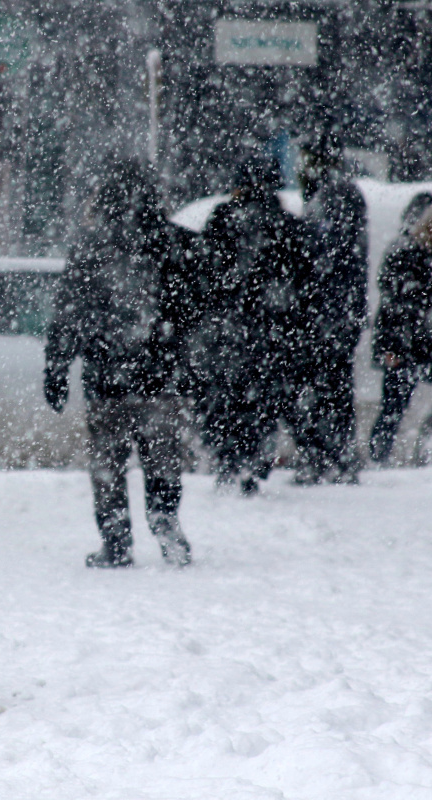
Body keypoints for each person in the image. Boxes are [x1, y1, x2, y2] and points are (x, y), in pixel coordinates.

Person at [44, 160, 192, 569]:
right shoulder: (173, 243)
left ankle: (116, 542)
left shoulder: (90, 247)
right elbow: (194, 311)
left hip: (107, 377)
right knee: (162, 462)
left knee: (108, 467)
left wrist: (56, 368)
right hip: (160, 378)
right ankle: (166, 523)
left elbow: (68, 315)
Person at [198, 155, 312, 495]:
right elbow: (305, 281)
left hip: (227, 329)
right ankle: (254, 464)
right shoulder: (287, 224)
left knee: (225, 398)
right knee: (264, 401)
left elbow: (203, 271)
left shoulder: (221, 219)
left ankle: (226, 461)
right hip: (273, 331)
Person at [368, 192, 432, 465]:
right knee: (394, 407)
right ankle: (383, 457)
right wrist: (392, 349)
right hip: (402, 346)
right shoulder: (403, 252)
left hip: (422, 345)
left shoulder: (425, 255)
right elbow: (395, 305)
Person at [295, 131, 369, 484]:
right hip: (337, 310)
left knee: (328, 386)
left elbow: (325, 252)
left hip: (329, 312)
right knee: (332, 386)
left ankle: (329, 459)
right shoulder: (340, 192)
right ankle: (332, 457)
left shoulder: (335, 195)